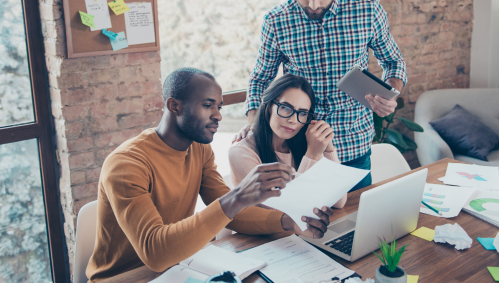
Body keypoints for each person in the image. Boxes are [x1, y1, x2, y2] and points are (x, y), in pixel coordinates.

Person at [86, 67, 335, 282]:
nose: (218, 115)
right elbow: (155, 253)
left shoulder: (200, 149)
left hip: (178, 268)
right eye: (207, 106)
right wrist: (237, 197)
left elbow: (232, 216)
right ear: (174, 106)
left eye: (219, 106)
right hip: (126, 277)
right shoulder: (126, 163)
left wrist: (288, 222)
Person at [234, 0, 407, 191]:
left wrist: (389, 93)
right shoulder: (276, 20)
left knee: (355, 214)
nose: (314, 5)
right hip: (302, 149)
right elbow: (260, 79)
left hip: (354, 145)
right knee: (304, 215)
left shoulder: (368, 9)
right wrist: (253, 124)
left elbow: (393, 61)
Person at [229, 74, 347, 208]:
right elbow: (285, 210)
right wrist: (312, 155)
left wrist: (328, 149)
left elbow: (339, 202)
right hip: (265, 228)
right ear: (269, 106)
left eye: (302, 113)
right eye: (285, 108)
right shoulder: (241, 152)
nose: (293, 120)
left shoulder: (303, 143)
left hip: (305, 227)